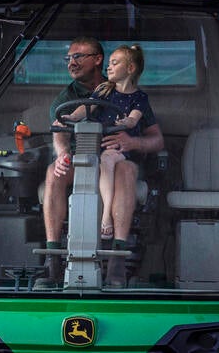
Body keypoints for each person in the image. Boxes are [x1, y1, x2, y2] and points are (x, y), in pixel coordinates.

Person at [37, 37, 164, 288]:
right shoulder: (67, 96)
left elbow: (157, 140)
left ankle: (117, 264)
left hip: (117, 161)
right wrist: (63, 155)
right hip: (79, 160)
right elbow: (60, 131)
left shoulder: (132, 96)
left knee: (126, 169)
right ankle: (52, 262)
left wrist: (133, 142)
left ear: (98, 60)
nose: (71, 63)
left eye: (77, 57)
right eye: (68, 58)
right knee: (54, 172)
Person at [62, 44, 152, 241]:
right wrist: (72, 117)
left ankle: (106, 217)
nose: (108, 68)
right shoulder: (103, 90)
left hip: (122, 147)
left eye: (114, 63)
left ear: (130, 69)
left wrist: (126, 122)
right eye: (108, 63)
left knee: (107, 160)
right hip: (100, 144)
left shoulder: (140, 98)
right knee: (97, 159)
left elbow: (134, 119)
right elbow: (87, 107)